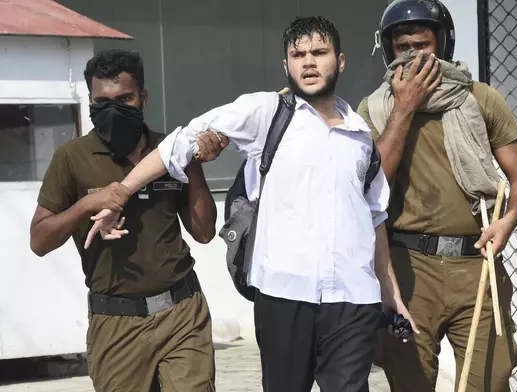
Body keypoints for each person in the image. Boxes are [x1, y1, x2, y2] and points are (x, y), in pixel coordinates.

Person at [84, 16, 416, 392]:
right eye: (298, 54)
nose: (308, 62)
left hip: (353, 300)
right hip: (284, 296)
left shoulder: (359, 135)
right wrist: (121, 193)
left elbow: (373, 217)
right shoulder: (267, 113)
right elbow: (179, 144)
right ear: (286, 65)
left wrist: (390, 294)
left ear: (339, 62)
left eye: (319, 53)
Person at [357, 1, 517, 391]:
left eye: (422, 45)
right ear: (389, 50)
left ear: (442, 44)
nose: (413, 55)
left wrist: (507, 222)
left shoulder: (480, 99)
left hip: (478, 265)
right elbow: (374, 183)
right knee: (409, 382)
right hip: (407, 269)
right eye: (403, 47)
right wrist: (404, 107)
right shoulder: (373, 109)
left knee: (490, 380)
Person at [29, 49, 222, 392]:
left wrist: (191, 161)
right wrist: (85, 205)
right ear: (89, 101)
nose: (113, 110)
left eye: (125, 98)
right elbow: (39, 241)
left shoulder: (168, 150)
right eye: (101, 102)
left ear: (143, 97)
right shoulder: (71, 158)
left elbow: (204, 232)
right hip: (116, 323)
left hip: (181, 313)